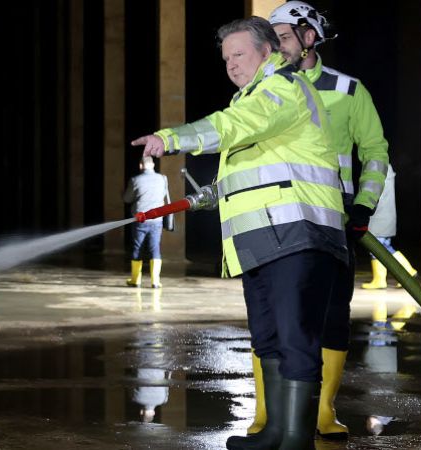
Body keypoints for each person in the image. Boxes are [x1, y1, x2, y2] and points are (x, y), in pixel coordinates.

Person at [132, 17, 346, 450]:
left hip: (297, 232)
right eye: (226, 57)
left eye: (239, 54)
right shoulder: (251, 100)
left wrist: (170, 139)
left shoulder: (281, 89)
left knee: (294, 336)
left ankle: (296, 438)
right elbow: (259, 166)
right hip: (261, 238)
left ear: (267, 52)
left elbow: (228, 128)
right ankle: (275, 433)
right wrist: (213, 193)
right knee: (268, 336)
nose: (231, 64)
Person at [258, 2, 391, 440]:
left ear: (309, 37)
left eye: (281, 36)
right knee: (275, 315)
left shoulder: (349, 91)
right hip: (277, 218)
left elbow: (374, 154)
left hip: (333, 221)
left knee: (331, 315)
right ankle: (268, 416)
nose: (273, 46)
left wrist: (364, 207)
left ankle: (322, 413)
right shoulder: (264, 88)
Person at [362, 165, 420, 289]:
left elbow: (372, 194)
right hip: (384, 215)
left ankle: (383, 278)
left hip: (379, 216)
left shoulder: (376, 166)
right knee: (384, 247)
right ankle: (406, 272)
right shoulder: (384, 166)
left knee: (377, 247)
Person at [123, 156, 170, 288]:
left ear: (141, 166)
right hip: (157, 219)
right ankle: (155, 281)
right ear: (153, 165)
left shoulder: (135, 180)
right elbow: (165, 196)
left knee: (137, 247)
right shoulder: (163, 179)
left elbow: (127, 199)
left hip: (140, 219)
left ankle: (135, 280)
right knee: (154, 247)